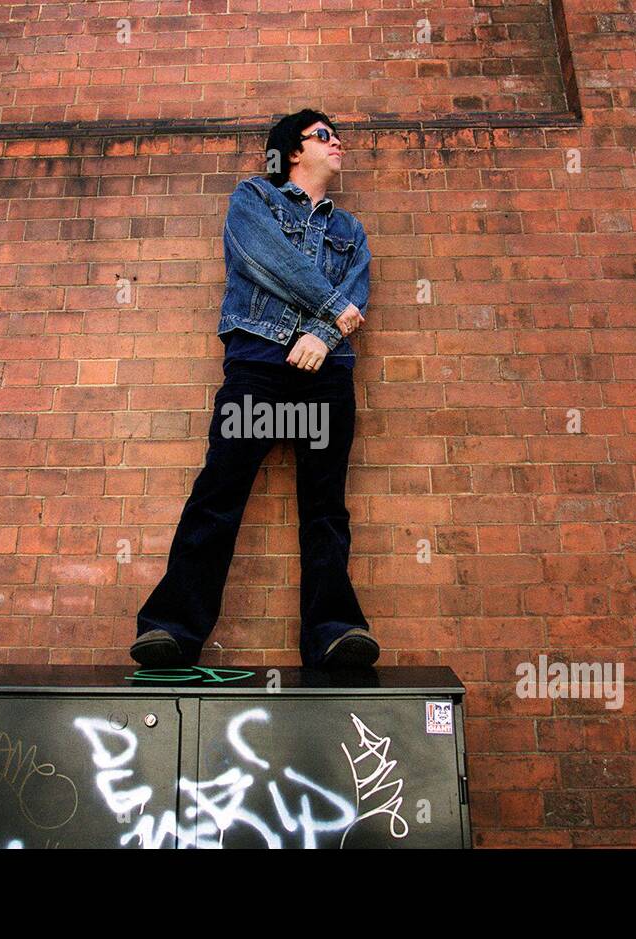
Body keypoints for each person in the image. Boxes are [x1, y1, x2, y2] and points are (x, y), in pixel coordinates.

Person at [132, 109, 378, 670]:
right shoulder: (254, 199)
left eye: (337, 136)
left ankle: (334, 633)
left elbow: (356, 289)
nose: (337, 142)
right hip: (259, 371)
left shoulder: (350, 230)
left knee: (326, 509)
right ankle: (171, 627)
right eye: (325, 135)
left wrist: (321, 332)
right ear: (292, 151)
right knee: (219, 496)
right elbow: (266, 260)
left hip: (327, 378)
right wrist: (332, 313)